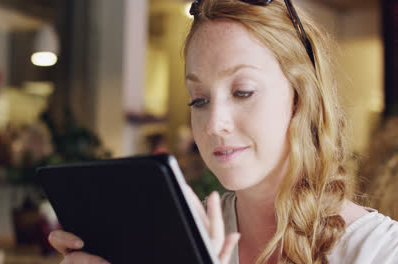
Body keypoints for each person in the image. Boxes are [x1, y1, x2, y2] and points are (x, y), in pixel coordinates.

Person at [48, 0, 398, 263]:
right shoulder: (174, 238)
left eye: (242, 91)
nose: (214, 124)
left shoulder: (379, 251)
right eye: (198, 100)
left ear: (300, 97)